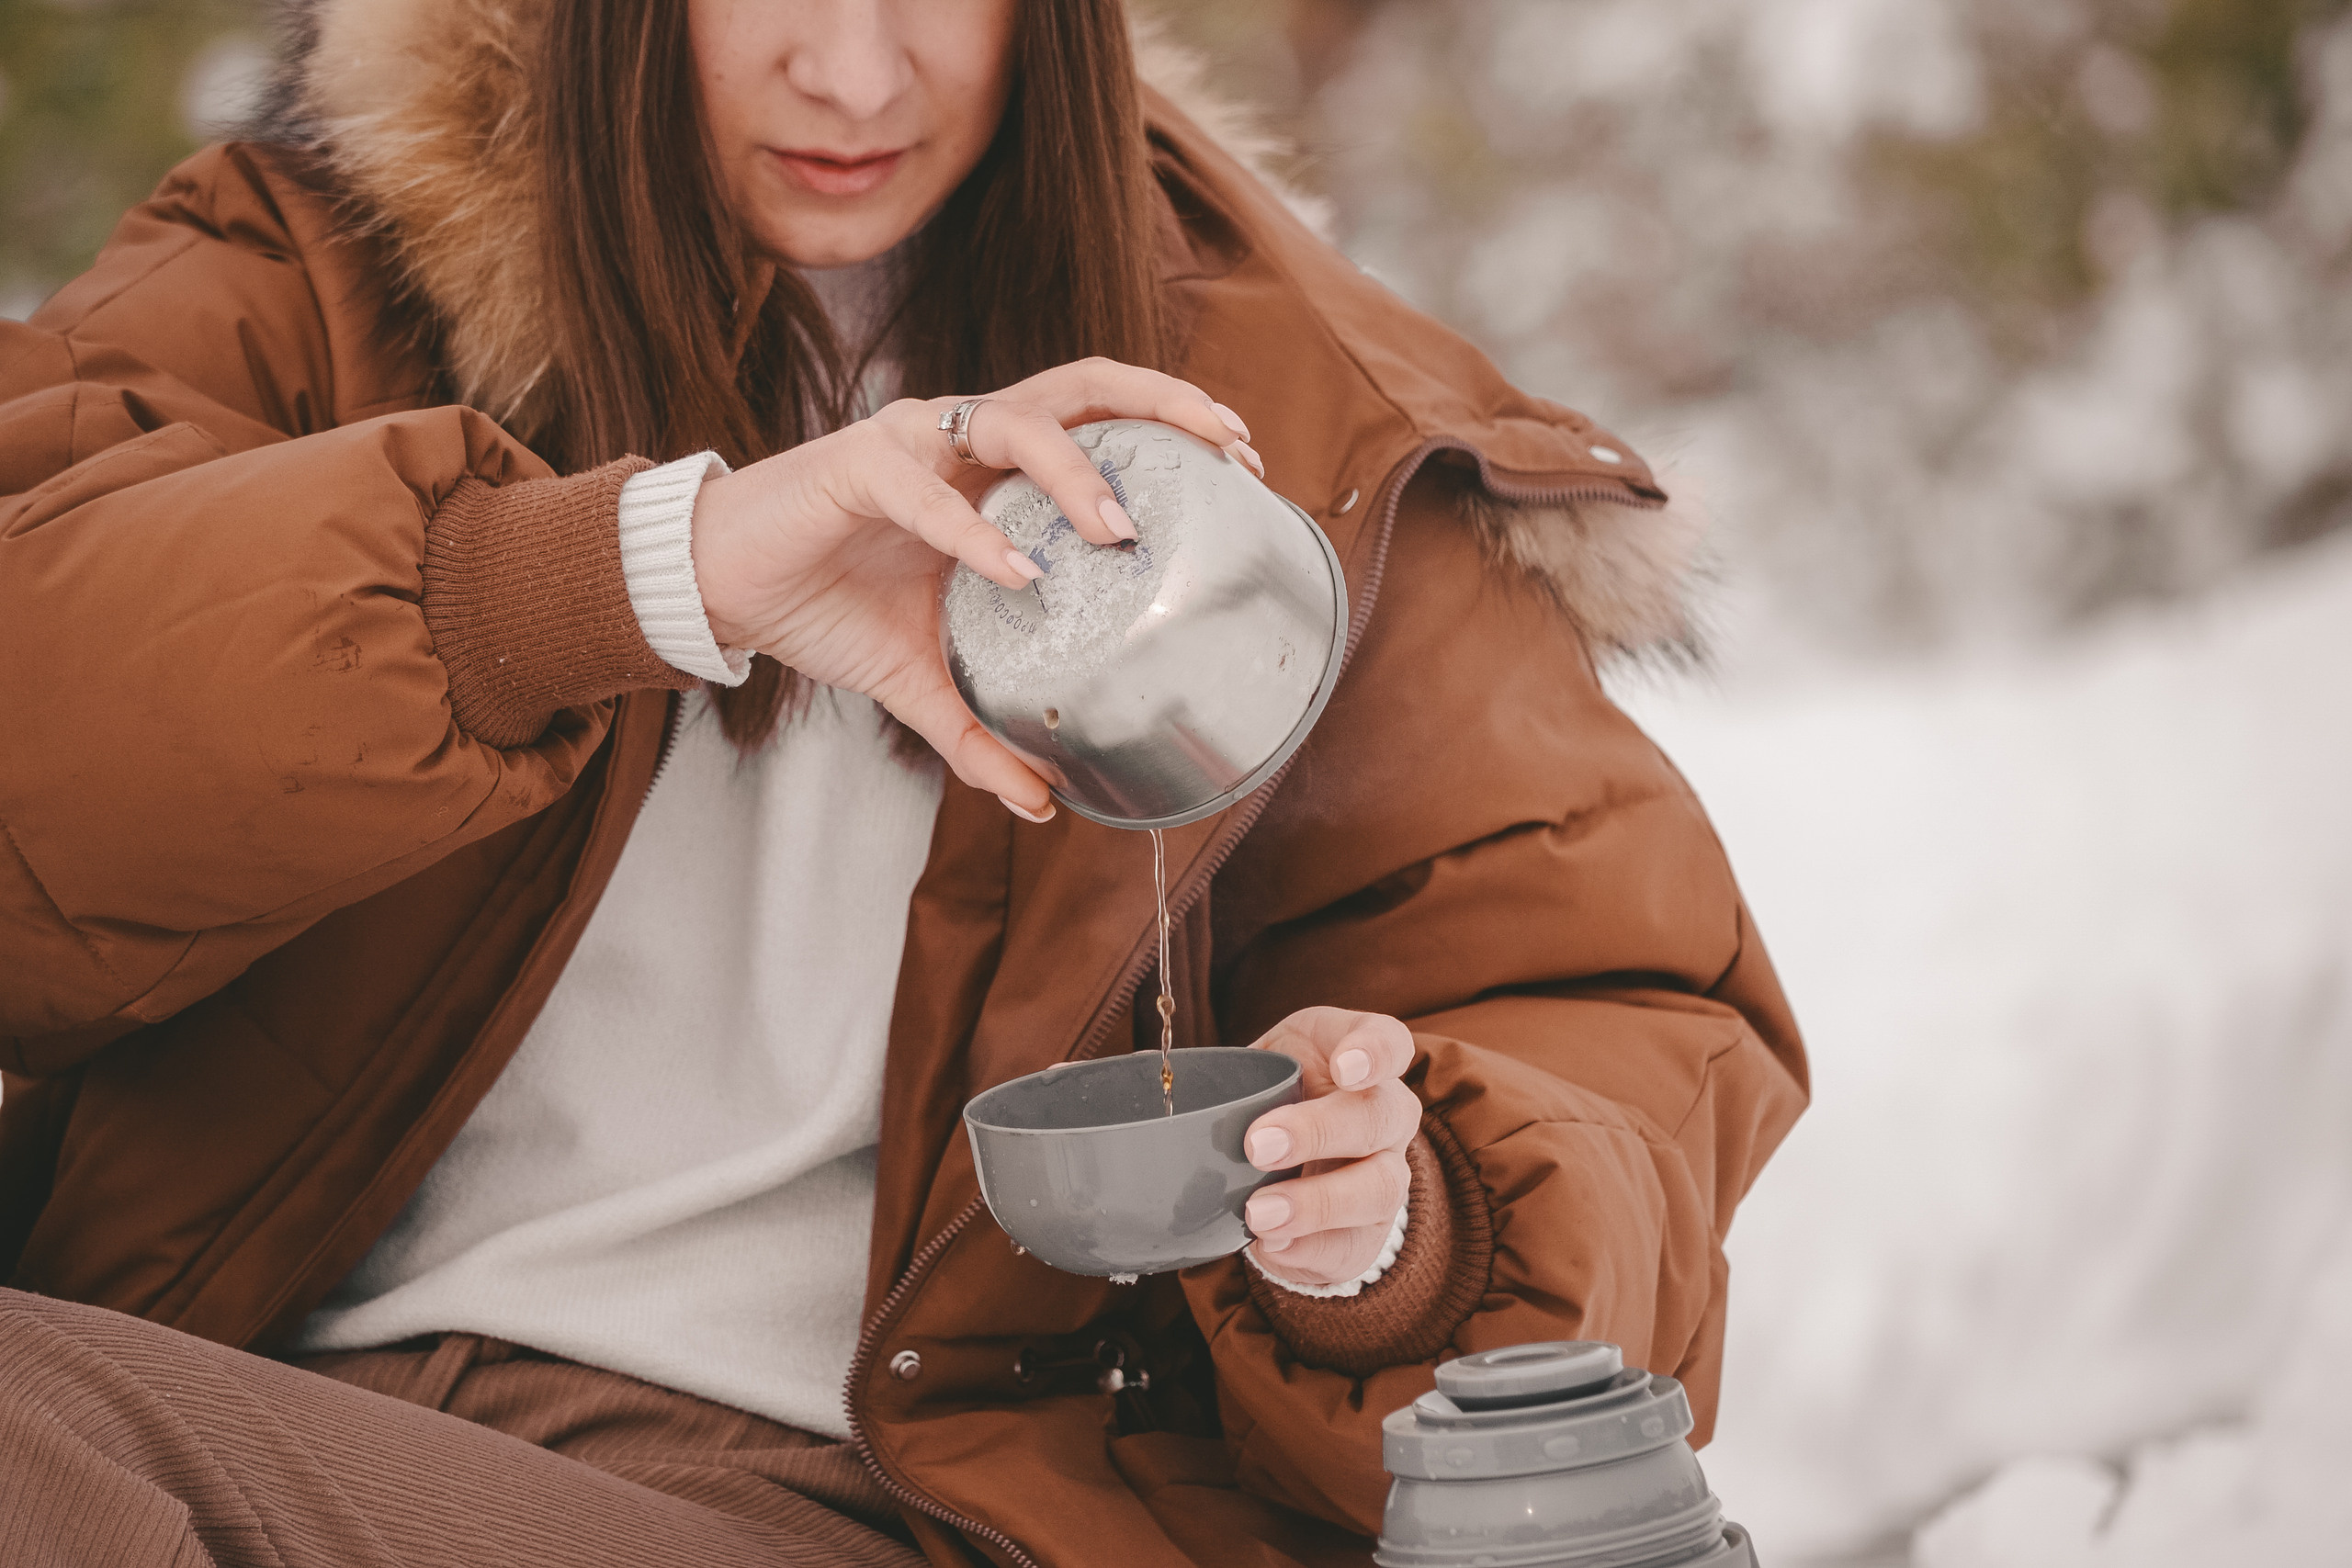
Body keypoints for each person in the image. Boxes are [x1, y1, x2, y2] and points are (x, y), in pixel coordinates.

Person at [0, 1, 1807, 1564]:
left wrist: (1410, 1224)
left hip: (861, 1490)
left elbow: (1599, 1010)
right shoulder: (311, 277)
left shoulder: (1285, 416)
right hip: (244, 1400)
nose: (856, 70)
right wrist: (625, 574)